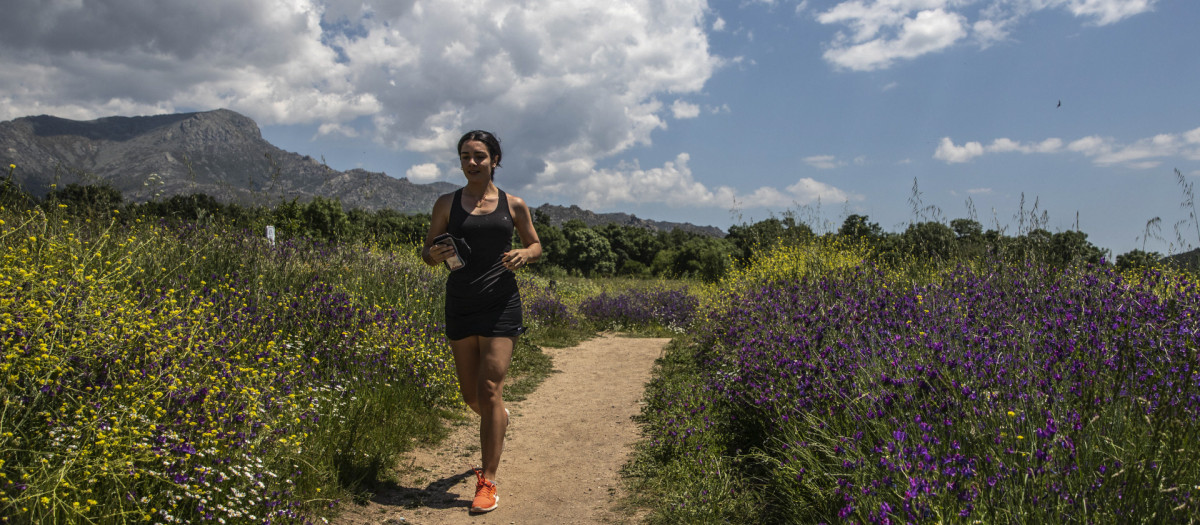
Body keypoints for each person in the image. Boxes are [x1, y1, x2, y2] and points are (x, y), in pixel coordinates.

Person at [422, 130, 542, 513]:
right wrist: (436, 255)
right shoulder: (447, 203)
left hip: (501, 304)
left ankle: (488, 481)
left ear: (494, 159)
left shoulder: (514, 204)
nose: (471, 162)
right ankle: (498, 419)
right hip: (460, 304)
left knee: (489, 387)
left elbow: (536, 244)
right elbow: (426, 253)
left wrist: (526, 253)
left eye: (479, 156)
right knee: (471, 396)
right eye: (464, 156)